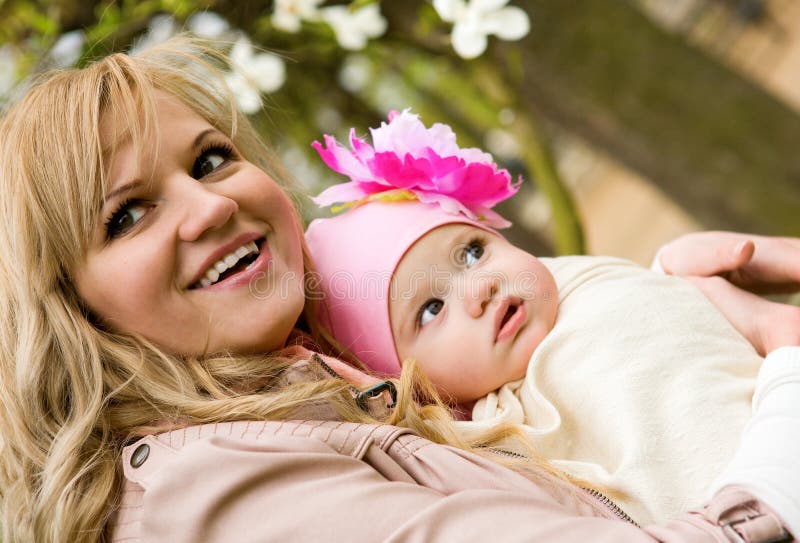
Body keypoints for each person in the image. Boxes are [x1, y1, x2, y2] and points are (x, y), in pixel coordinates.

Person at [0, 37, 798, 543]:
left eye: (209, 159)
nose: (211, 204)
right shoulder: (209, 494)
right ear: (65, 310)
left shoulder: (310, 374)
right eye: (128, 215)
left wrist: (659, 297)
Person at [305, 109, 800, 526]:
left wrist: (670, 275)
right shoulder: (491, 446)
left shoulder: (582, 283)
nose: (480, 289)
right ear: (414, 385)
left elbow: (649, 321)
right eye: (431, 310)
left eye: (472, 252)